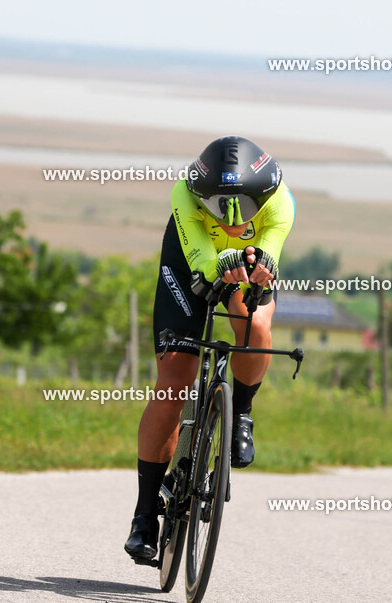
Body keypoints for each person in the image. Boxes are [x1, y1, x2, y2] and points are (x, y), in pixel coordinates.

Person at [125, 136, 295, 561]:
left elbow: (270, 250)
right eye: (220, 208)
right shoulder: (184, 193)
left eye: (245, 211)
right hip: (190, 262)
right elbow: (202, 262)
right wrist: (218, 264)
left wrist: (261, 268)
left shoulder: (281, 202)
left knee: (256, 324)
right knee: (173, 384)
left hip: (246, 264)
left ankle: (241, 413)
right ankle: (145, 513)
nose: (235, 221)